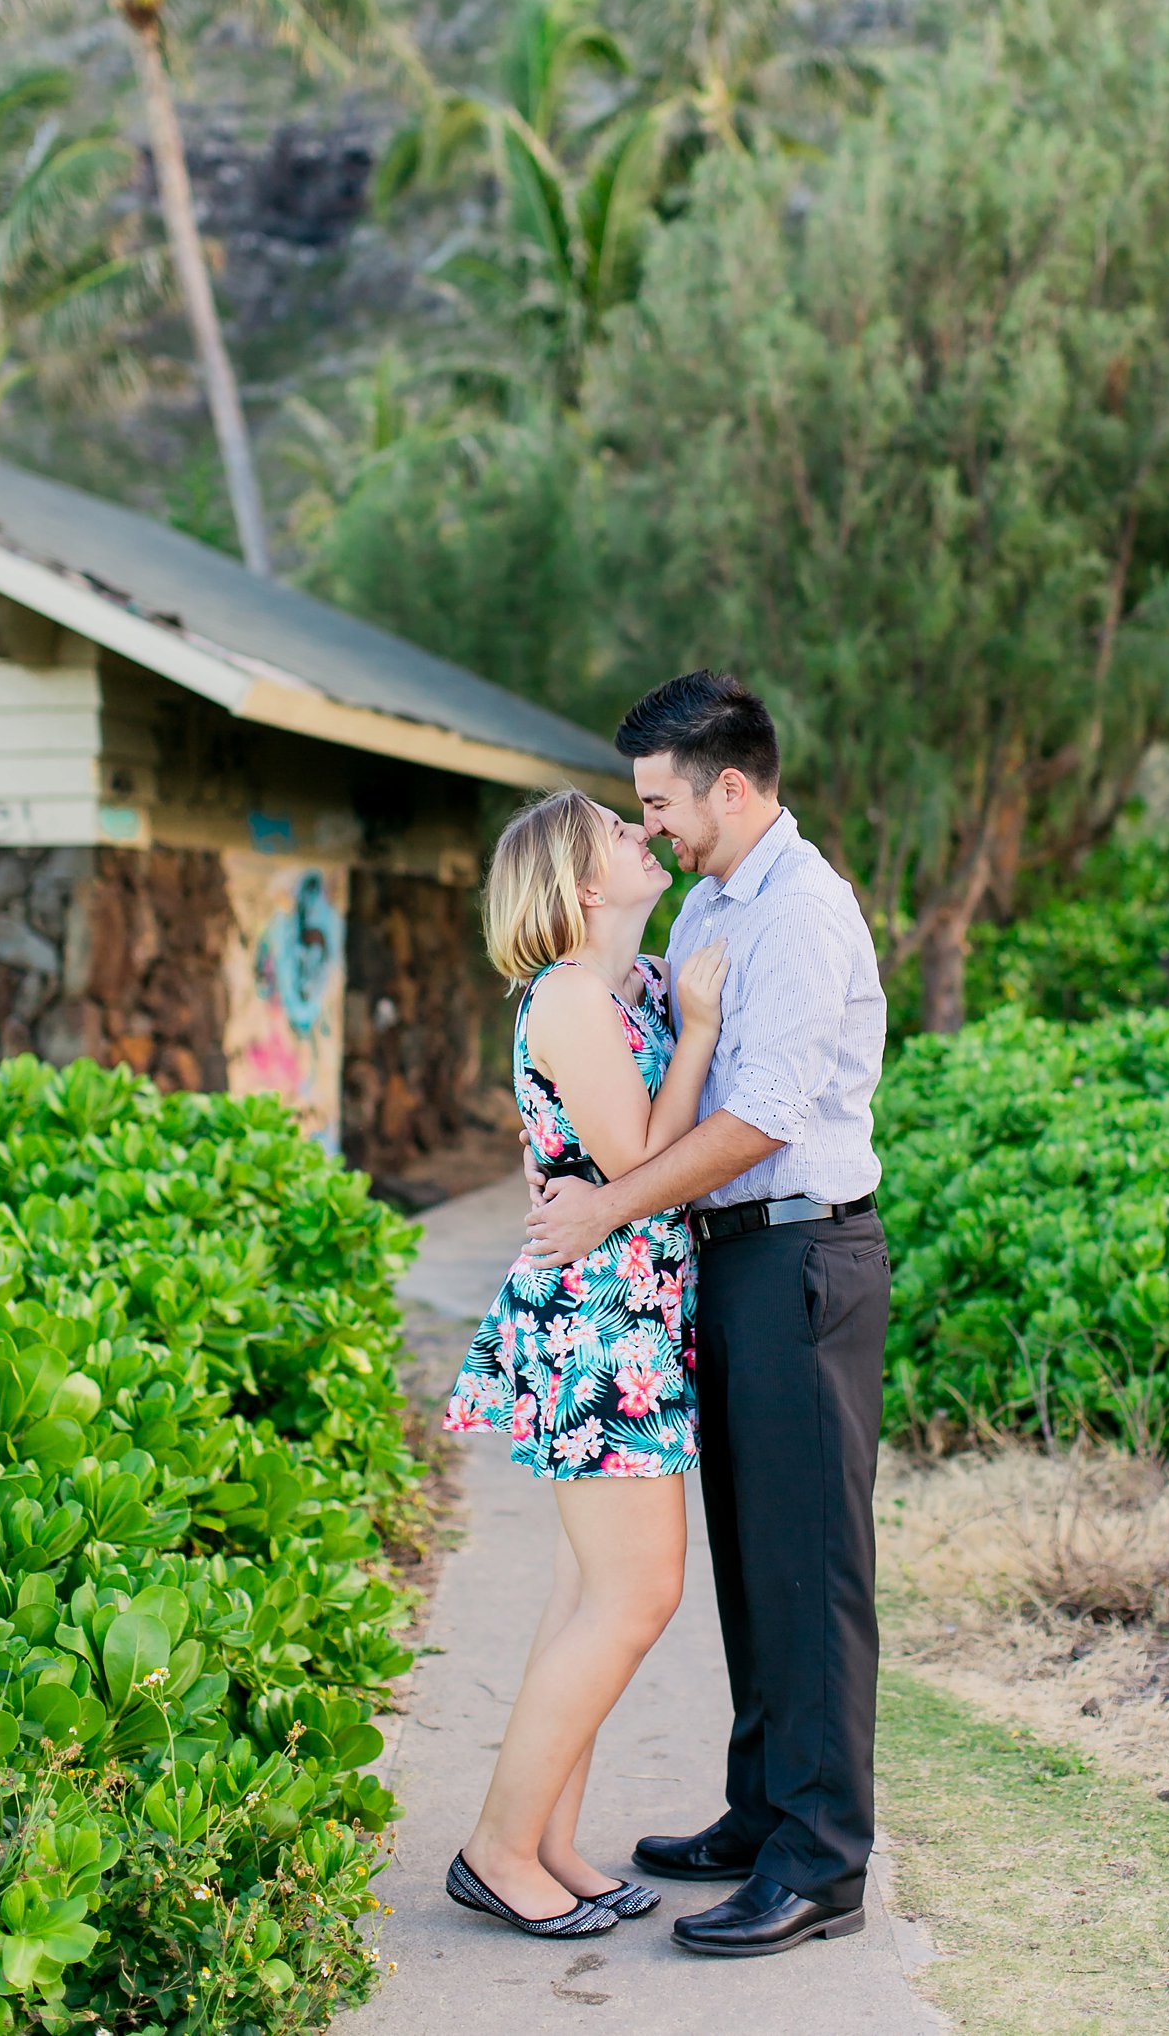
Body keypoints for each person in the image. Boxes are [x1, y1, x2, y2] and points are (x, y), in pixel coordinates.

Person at [523, 671, 890, 1961]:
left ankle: (819, 1861)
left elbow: (758, 1121)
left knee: (812, 1567)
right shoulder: (718, 899)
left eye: (661, 802)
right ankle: (758, 1811)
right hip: (728, 1263)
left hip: (799, 1257)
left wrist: (610, 1205)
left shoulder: (798, 911)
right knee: (752, 1557)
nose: (654, 827)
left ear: (730, 787)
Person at [441, 787, 729, 1940]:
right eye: (618, 829)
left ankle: (550, 1841)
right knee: (634, 1592)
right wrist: (700, 1032)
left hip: (630, 1314)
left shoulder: (620, 988)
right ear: (579, 886)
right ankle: (497, 1846)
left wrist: (678, 1006)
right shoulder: (567, 997)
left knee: (586, 1596)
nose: (641, 832)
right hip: (599, 1325)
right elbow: (638, 1158)